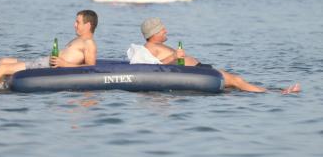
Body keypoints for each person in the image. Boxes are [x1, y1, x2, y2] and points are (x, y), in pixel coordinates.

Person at [127, 18, 300, 94]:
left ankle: (273, 90)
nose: (166, 31)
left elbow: (167, 63)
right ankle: (278, 94)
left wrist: (176, 57)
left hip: (197, 70)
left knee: (234, 85)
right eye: (163, 29)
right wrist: (174, 57)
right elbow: (156, 67)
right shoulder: (152, 46)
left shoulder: (156, 45)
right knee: (237, 81)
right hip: (196, 73)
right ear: (155, 32)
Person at [0, 10, 98, 89]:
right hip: (43, 62)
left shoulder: (89, 43)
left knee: (4, 68)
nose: (74, 25)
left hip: (46, 67)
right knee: (3, 61)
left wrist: (64, 64)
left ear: (88, 25)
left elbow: (91, 67)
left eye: (77, 22)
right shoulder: (78, 40)